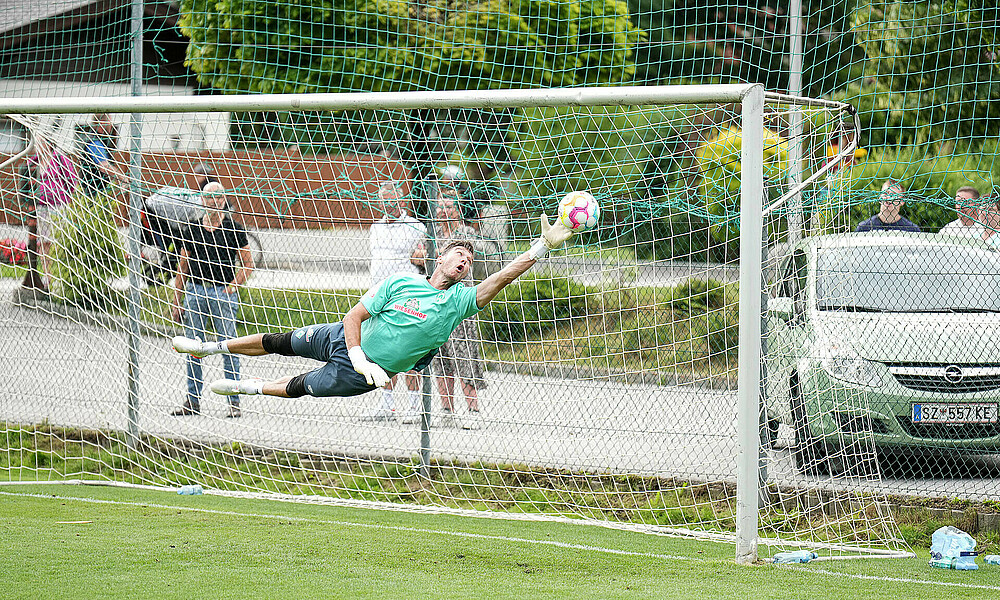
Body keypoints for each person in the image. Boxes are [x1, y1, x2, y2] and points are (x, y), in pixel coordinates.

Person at [168, 214, 575, 406]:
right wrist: (358, 351)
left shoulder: (457, 303)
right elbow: (353, 317)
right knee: (280, 341)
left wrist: (542, 247)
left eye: (469, 260)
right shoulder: (401, 281)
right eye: (457, 253)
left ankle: (249, 387)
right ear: (440, 258)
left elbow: (501, 277)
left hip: (360, 375)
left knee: (298, 386)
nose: (464, 260)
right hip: (348, 342)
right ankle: (212, 347)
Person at [170, 182, 255, 418]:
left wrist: (232, 287)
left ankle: (234, 402)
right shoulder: (192, 229)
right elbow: (182, 268)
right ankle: (193, 401)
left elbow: (248, 264)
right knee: (194, 349)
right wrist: (178, 300)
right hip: (196, 292)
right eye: (209, 197)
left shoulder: (233, 229)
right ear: (202, 200)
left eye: (219, 197)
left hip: (222, 294)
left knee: (228, 347)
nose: (214, 202)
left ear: (224, 201)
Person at [365, 181, 428, 423]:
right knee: (382, 351)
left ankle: (414, 406)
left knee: (408, 352)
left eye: (392, 199)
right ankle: (387, 405)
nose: (387, 203)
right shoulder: (376, 227)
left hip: (405, 297)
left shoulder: (415, 226)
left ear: (401, 201)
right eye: (383, 199)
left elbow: (421, 257)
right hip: (379, 296)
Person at [429, 189, 488, 430]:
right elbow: (421, 259)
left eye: (449, 207)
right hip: (435, 304)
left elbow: (481, 250)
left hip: (459, 305)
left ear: (458, 209)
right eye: (440, 207)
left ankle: (473, 410)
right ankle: (447, 410)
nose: (444, 211)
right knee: (440, 357)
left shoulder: (465, 235)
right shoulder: (431, 234)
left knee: (464, 355)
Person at [25, 137, 78, 286]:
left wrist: (68, 198)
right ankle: (49, 277)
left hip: (58, 206)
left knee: (58, 241)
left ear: (48, 144)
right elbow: (25, 178)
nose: (37, 145)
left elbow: (72, 180)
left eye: (41, 142)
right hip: (41, 207)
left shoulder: (60, 159)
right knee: (43, 242)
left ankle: (59, 275)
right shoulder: (34, 162)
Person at [78, 114, 126, 196]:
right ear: (102, 123)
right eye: (109, 122)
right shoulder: (94, 142)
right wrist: (123, 178)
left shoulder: (101, 141)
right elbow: (104, 166)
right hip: (94, 194)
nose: (111, 125)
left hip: (98, 193)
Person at [854, 180, 921, 232]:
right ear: (880, 197)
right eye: (886, 193)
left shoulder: (912, 230)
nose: (889, 197)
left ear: (902, 201)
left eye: (893, 194)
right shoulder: (864, 228)